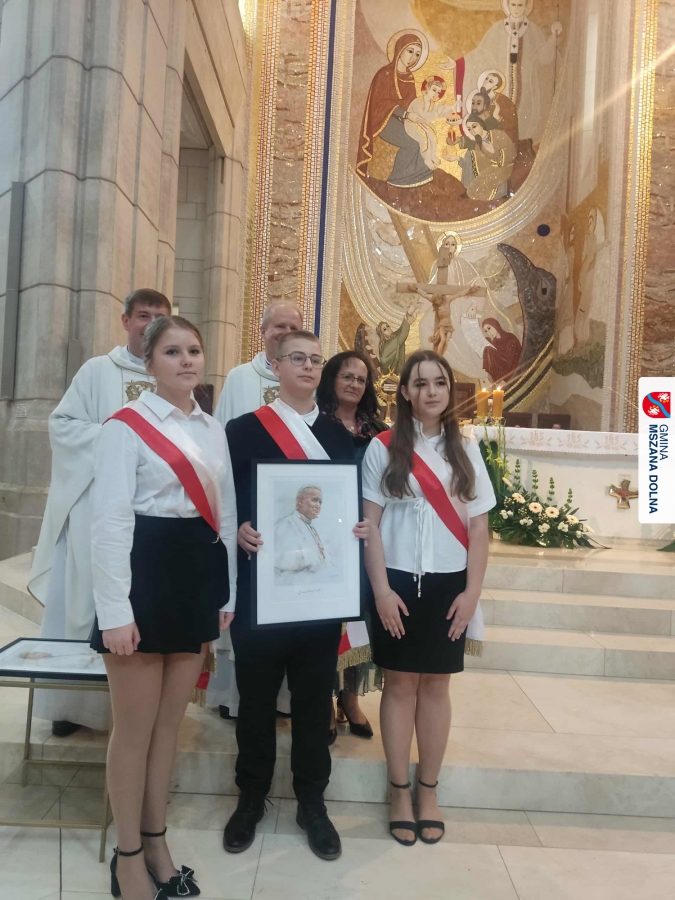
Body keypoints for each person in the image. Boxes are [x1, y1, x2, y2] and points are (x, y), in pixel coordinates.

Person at [89, 315, 238, 900]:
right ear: (148, 362)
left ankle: (156, 841)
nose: (186, 360)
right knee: (134, 729)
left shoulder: (213, 428)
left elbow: (224, 517)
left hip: (195, 576)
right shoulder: (124, 427)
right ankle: (127, 857)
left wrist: (226, 591)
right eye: (172, 351)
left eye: (193, 350)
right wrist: (114, 611)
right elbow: (108, 523)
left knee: (169, 727)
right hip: (142, 577)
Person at [223, 330, 370, 861]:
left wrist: (354, 529)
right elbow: (225, 502)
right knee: (256, 701)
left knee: (312, 703)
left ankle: (312, 801)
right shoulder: (243, 430)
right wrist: (238, 527)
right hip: (261, 591)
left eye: (315, 360)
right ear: (276, 365)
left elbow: (344, 508)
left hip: (318, 599)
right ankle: (251, 797)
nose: (308, 367)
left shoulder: (338, 436)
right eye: (297, 358)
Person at [362, 350, 495, 847]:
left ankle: (429, 790)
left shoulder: (467, 449)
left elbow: (479, 529)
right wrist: (381, 591)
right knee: (399, 686)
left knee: (437, 687)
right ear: (404, 392)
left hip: (448, 585)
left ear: (449, 389)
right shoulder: (383, 447)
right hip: (397, 582)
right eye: (420, 383)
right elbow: (370, 525)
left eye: (439, 382)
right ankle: (398, 789)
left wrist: (471, 594)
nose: (431, 391)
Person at [28, 288, 172, 737]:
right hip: (97, 507)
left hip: (151, 514)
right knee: (83, 604)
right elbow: (62, 425)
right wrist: (117, 441)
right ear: (126, 320)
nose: (150, 323)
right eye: (143, 315)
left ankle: (132, 712)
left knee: (140, 607)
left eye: (160, 316)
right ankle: (71, 707)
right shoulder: (97, 371)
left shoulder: (170, 376)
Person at [210, 301, 303, 720]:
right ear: (262, 331)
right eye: (278, 325)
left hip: (293, 515)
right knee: (247, 617)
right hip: (247, 519)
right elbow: (220, 452)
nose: (284, 331)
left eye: (293, 326)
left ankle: (284, 701)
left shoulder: (306, 379)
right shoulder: (239, 378)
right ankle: (235, 701)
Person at [317, 351, 387, 742]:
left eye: (361, 379)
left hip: (365, 539)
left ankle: (350, 698)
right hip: (325, 538)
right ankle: (326, 702)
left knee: (361, 617)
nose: (354, 384)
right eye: (347, 376)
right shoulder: (313, 423)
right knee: (328, 623)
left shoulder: (378, 431)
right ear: (331, 378)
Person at [274, 486, 332, 585]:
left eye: (320, 502)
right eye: (315, 500)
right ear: (300, 501)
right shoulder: (286, 525)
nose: (318, 505)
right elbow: (284, 567)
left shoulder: (310, 526)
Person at [403, 76, 458, 170]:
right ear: (427, 88)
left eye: (438, 92)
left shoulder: (433, 104)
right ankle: (427, 158)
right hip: (412, 124)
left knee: (433, 135)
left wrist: (452, 108)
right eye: (434, 90)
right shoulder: (418, 101)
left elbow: (441, 112)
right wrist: (436, 113)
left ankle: (432, 155)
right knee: (426, 136)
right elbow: (422, 116)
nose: (436, 94)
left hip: (423, 124)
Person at [481, 318, 522, 384]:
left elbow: (516, 358)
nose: (488, 332)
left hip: (516, 375)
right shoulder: (491, 346)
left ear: (495, 325)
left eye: (489, 328)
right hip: (501, 381)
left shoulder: (511, 338)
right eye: (485, 331)